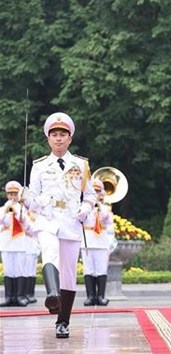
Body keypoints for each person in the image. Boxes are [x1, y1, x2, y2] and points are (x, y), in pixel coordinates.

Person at [20, 112, 97, 338]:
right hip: (47, 219)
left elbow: (90, 194)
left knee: (69, 274)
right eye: (54, 134)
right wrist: (26, 197)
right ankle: (52, 295)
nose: (58, 138)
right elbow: (33, 200)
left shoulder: (81, 165)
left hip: (71, 221)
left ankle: (62, 321)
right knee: (49, 251)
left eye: (63, 134)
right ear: (48, 138)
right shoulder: (39, 166)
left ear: (70, 138)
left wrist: (85, 209)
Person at [80, 178, 117, 306]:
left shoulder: (105, 207)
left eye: (98, 191)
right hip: (88, 241)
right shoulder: (83, 206)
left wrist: (99, 205)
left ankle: (101, 296)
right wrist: (89, 205)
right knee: (88, 269)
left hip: (101, 242)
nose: (95, 193)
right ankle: (90, 296)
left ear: (102, 193)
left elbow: (106, 219)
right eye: (93, 191)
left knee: (101, 270)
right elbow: (80, 218)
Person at [0, 181, 31, 307]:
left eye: (15, 194)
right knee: (8, 271)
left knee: (19, 270)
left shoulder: (23, 209)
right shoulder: (3, 209)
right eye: (10, 194)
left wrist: (20, 215)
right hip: (7, 242)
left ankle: (19, 297)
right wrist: (6, 210)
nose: (12, 197)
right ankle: (8, 297)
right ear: (7, 195)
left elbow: (28, 226)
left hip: (19, 242)